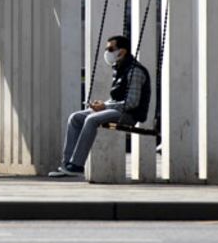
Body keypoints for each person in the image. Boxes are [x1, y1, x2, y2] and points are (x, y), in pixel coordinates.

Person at [48, 34, 151, 178]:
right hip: (117, 111)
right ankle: (67, 164)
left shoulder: (135, 71)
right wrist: (103, 105)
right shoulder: (120, 69)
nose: (107, 52)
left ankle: (77, 165)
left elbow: (132, 103)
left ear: (122, 51)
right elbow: (116, 99)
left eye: (110, 49)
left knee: (91, 119)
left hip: (129, 115)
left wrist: (105, 107)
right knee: (76, 117)